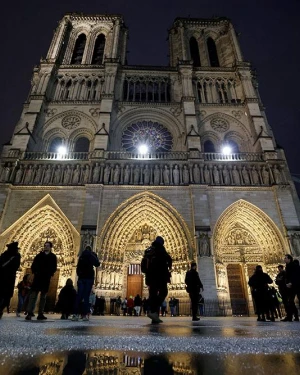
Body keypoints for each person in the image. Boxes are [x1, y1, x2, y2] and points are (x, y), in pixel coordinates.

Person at [142, 236, 172, 324]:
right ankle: (152, 310)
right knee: (163, 292)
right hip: (160, 277)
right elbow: (169, 260)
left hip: (150, 278)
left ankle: (154, 317)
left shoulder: (149, 250)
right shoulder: (161, 250)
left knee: (153, 295)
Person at [26, 241, 57, 321]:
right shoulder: (39, 256)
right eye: (45, 246)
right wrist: (35, 272)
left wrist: (50, 273)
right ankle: (29, 313)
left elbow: (54, 267)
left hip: (46, 278)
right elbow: (33, 265)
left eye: (47, 246)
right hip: (38, 277)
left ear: (50, 247)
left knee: (43, 297)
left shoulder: (53, 257)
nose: (46, 247)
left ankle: (40, 313)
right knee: (33, 296)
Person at [72, 245, 100, 321]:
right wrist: (94, 255)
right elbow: (97, 264)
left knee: (79, 296)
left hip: (81, 278)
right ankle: (84, 315)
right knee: (86, 297)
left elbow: (78, 267)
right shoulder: (91, 255)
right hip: (88, 278)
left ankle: (75, 314)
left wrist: (79, 275)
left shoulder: (81, 256)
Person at [0, 241, 21, 319]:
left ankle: (1, 309)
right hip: (8, 278)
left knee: (5, 295)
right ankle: (1, 308)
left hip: (6, 277)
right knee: (5, 295)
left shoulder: (5, 255)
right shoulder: (15, 255)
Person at [282, 254, 299, 321]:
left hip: (294, 286)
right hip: (289, 286)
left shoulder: (294, 266)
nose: (284, 259)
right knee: (290, 301)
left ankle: (292, 316)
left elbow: (296, 275)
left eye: (285, 258)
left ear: (289, 259)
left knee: (290, 301)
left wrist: (291, 282)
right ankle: (292, 316)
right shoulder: (288, 266)